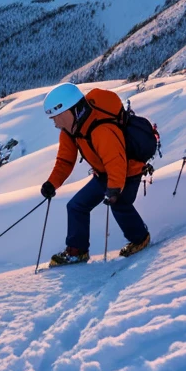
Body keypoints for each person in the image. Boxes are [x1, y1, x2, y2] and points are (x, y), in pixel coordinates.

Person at [40, 82, 151, 265]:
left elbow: (116, 161)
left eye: (56, 117)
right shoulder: (70, 131)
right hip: (104, 174)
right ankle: (77, 251)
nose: (55, 123)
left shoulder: (101, 129)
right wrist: (52, 183)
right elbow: (65, 161)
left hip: (128, 171)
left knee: (120, 204)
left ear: (70, 111)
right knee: (76, 206)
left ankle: (140, 239)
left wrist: (114, 189)